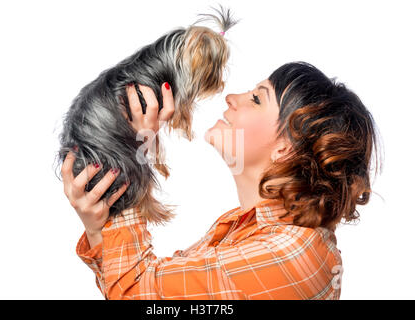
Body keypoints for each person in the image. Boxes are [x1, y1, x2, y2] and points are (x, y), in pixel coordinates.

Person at [61, 61, 380, 300]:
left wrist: (130, 154)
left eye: (257, 99)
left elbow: (137, 293)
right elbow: (150, 290)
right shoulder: (240, 228)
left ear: (286, 147)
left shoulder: (294, 253)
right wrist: (97, 226)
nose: (231, 97)